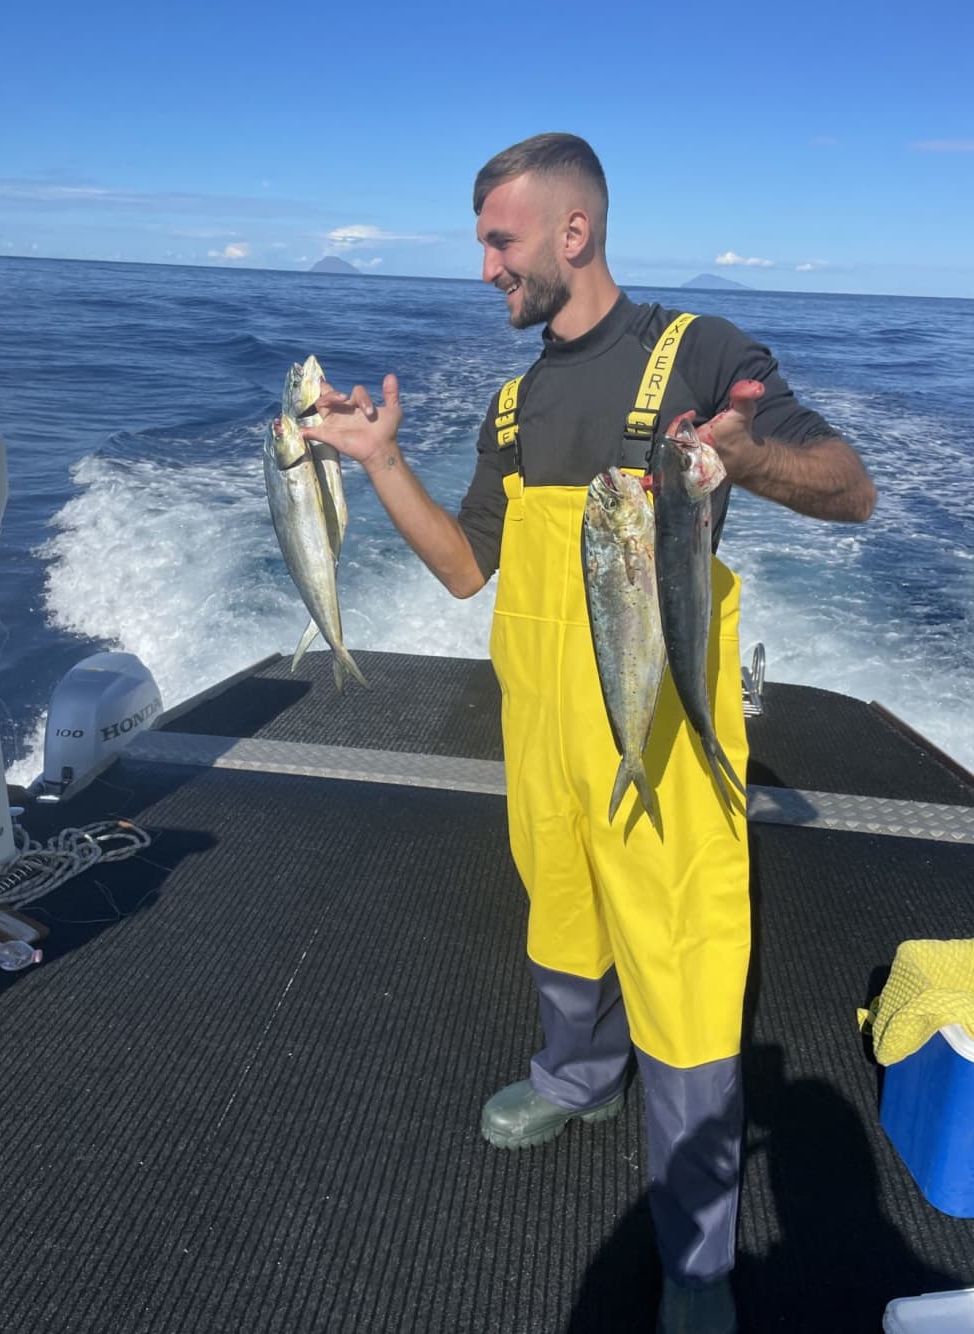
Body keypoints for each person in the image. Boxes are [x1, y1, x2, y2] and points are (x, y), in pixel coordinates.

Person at [305, 133, 876, 1334]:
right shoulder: (509, 408)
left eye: (497, 241)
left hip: (666, 743)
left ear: (573, 233)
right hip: (545, 733)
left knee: (680, 965)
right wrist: (381, 462)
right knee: (557, 908)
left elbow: (849, 484)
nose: (483, 269)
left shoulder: (699, 353)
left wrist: (740, 453)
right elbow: (467, 571)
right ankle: (577, 1077)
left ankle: (699, 1250)